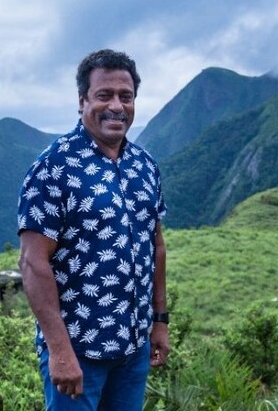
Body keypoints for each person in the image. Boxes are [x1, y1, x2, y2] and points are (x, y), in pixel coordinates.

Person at [17, 49, 170, 410]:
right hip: (79, 352)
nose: (116, 106)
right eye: (104, 95)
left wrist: (159, 322)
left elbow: (156, 246)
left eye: (126, 96)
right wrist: (59, 352)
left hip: (133, 349)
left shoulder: (144, 166)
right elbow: (33, 263)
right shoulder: (53, 168)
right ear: (82, 100)